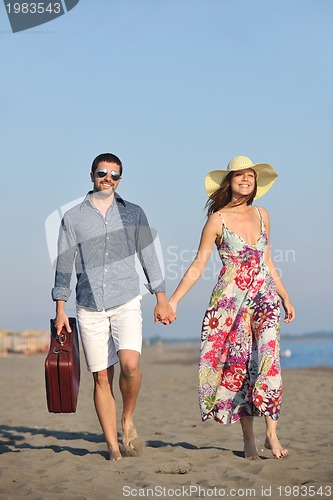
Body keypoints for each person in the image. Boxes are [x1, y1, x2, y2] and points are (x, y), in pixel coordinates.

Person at [159, 155, 295, 460]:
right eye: (239, 176)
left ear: (255, 182)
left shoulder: (263, 214)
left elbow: (268, 260)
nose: (245, 180)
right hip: (230, 303)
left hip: (265, 298)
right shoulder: (217, 219)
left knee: (269, 360)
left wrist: (285, 295)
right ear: (229, 183)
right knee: (240, 367)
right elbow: (198, 264)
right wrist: (174, 301)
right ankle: (249, 440)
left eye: (250, 176)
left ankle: (271, 434)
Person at [52, 152, 174, 461]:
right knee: (102, 377)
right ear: (91, 175)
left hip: (127, 299)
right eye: (102, 172)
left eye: (114, 174)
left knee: (130, 364)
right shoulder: (73, 218)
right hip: (89, 305)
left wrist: (161, 296)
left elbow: (148, 256)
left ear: (120, 179)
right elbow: (64, 264)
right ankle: (113, 447)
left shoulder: (133, 213)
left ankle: (127, 417)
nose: (108, 178)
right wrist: (60, 307)